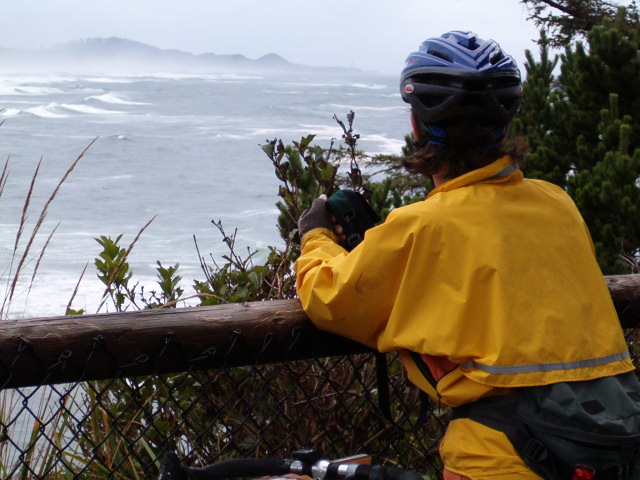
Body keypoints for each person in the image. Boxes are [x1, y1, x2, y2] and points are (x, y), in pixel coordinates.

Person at [294, 31, 640, 480]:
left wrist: (315, 234)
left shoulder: (422, 225)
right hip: (609, 440)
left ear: (417, 126)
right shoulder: (558, 203)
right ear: (505, 125)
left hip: (499, 456)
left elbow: (330, 298)